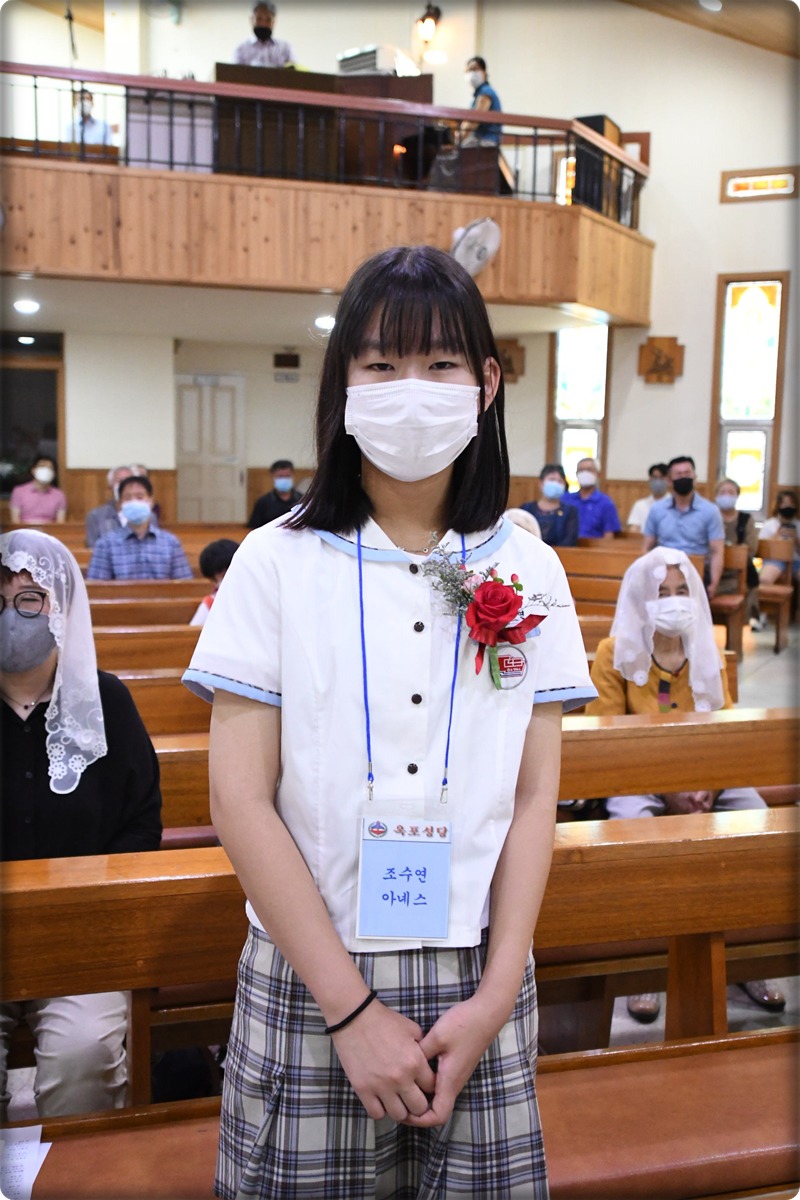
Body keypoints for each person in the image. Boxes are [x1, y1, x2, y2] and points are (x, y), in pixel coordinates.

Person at [184, 244, 596, 1199]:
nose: (411, 389)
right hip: (314, 974)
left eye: (441, 363)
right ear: (342, 387)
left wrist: (497, 996)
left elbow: (535, 797)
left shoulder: (529, 569)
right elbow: (239, 800)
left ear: (486, 383)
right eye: (380, 364)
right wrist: (350, 1011)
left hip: (480, 976)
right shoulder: (274, 561)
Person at [0, 529, 163, 1119]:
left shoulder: (105, 701)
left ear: (62, 607)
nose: (12, 616)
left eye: (30, 599)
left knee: (83, 1055)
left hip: (82, 930)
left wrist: (94, 902)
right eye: (0, 600)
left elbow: (141, 822)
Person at [586, 546, 785, 1022]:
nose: (674, 601)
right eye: (662, 593)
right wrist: (669, 782)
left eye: (681, 591)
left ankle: (744, 957)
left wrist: (706, 782)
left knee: (757, 825)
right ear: (641, 598)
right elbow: (606, 740)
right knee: (633, 837)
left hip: (709, 775)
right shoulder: (616, 651)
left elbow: (725, 727)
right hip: (637, 776)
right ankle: (647, 963)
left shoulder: (703, 648)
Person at [643, 455, 724, 598]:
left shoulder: (710, 511)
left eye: (687, 473)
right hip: (663, 572)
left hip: (696, 572)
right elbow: (646, 547)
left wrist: (714, 583)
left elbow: (717, 550)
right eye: (678, 475)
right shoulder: (657, 509)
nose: (683, 478)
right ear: (669, 480)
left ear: (695, 477)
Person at [86, 475, 193, 581]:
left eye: (140, 497)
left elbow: (184, 584)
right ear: (120, 504)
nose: (134, 502)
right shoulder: (105, 544)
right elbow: (97, 587)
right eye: (127, 498)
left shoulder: (170, 543)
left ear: (151, 502)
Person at [714, 477, 762, 629]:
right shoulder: (711, 517)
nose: (726, 495)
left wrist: (729, 553)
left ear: (737, 495)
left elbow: (750, 548)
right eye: (722, 492)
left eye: (730, 492)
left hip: (737, 574)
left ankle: (743, 623)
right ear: (716, 495)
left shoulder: (745, 520)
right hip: (713, 570)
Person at [85, 464, 155, 547]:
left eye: (127, 480)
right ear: (110, 487)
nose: (124, 485)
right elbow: (92, 548)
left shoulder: (149, 515)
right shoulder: (96, 516)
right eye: (119, 481)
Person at [561, 457, 621, 540]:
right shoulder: (565, 499)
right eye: (581, 470)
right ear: (576, 474)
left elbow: (609, 536)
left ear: (598, 474)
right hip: (566, 545)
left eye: (589, 470)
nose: (585, 473)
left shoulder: (606, 503)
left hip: (594, 546)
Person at [521, 464, 579, 548]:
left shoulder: (570, 512)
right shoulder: (526, 509)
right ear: (541, 483)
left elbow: (569, 542)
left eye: (560, 481)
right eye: (552, 479)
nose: (556, 484)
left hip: (561, 554)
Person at [190, 538, 240, 626]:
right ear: (213, 581)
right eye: (223, 576)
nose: (230, 580)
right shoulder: (211, 604)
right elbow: (193, 631)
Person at [9, 455, 67, 525]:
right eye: (42, 466)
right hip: (25, 530)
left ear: (53, 473)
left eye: (49, 468)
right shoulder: (19, 491)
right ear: (33, 470)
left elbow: (60, 523)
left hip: (49, 530)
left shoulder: (59, 495)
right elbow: (15, 522)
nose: (45, 470)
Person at [759, 489, 800, 586]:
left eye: (791, 504)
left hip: (796, 561)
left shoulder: (798, 525)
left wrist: (795, 540)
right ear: (778, 506)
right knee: (765, 579)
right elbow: (760, 548)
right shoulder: (769, 524)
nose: (788, 507)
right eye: (784, 504)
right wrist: (775, 537)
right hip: (774, 560)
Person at [233, 2, 293, 68]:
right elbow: (235, 72)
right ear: (252, 20)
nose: (263, 24)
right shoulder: (241, 50)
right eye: (259, 19)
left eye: (268, 20)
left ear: (273, 22)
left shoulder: (285, 48)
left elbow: (294, 70)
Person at [460, 56, 502, 148]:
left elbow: (474, 121)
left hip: (486, 141)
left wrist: (459, 138)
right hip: (481, 140)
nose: (472, 73)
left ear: (484, 72)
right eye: (469, 70)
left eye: (475, 69)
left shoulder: (486, 92)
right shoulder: (478, 96)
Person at [247, 459, 302, 528]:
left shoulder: (302, 500)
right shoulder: (263, 502)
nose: (284, 479)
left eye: (287, 476)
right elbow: (254, 528)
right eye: (280, 476)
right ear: (273, 477)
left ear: (293, 476)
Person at [626, 462, 669, 532]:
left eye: (661, 478)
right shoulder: (640, 505)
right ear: (650, 480)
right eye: (655, 477)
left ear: (669, 480)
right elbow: (634, 529)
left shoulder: (675, 504)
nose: (658, 481)